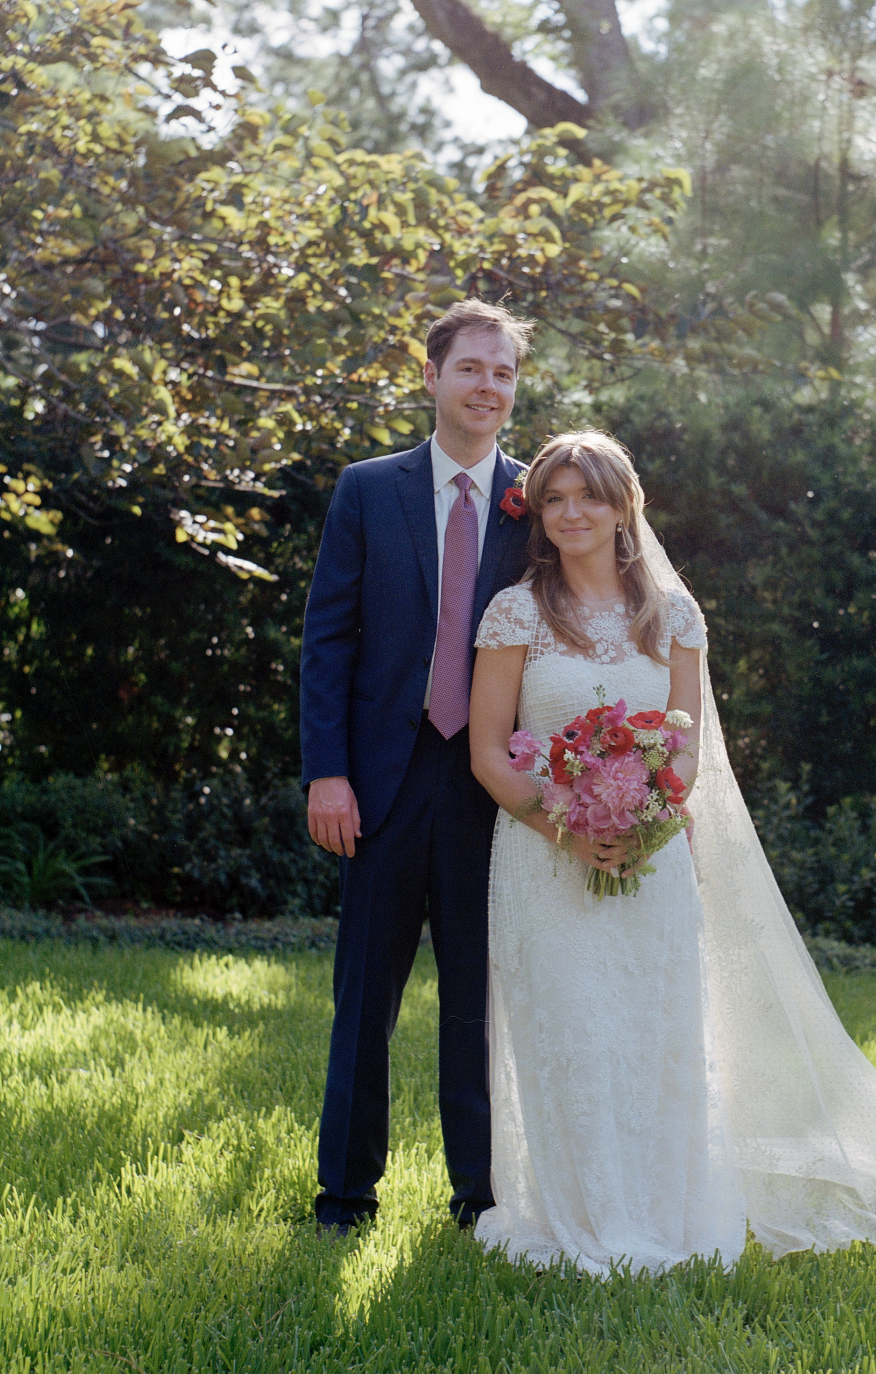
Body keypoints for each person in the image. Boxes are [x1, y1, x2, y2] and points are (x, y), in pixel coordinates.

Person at [468, 432, 876, 1274]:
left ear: (624, 505)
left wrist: (646, 814)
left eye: (587, 495)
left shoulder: (674, 614)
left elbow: (688, 747)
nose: (570, 514)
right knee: (574, 1036)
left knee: (654, 1036)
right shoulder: (517, 612)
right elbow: (486, 751)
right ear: (538, 514)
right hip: (544, 855)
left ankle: (663, 1209)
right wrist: (570, 828)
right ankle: (579, 1215)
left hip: (652, 855)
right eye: (553, 498)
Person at [300, 299, 535, 1233]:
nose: (488, 386)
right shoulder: (368, 488)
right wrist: (328, 772)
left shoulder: (542, 500)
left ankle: (481, 1198)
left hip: (491, 788)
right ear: (431, 376)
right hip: (381, 786)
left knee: (478, 1003)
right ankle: (345, 1196)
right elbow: (329, 638)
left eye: (504, 373)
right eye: (471, 368)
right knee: (364, 1002)